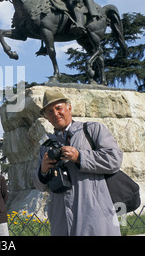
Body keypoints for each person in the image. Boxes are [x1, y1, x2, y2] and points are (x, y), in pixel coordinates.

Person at [33, 90, 123, 236]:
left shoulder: (92, 130)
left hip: (94, 216)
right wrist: (43, 170)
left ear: (69, 108)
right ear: (47, 118)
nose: (55, 114)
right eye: (50, 111)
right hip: (61, 220)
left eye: (58, 108)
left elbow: (114, 160)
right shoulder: (46, 145)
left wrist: (80, 157)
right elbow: (39, 185)